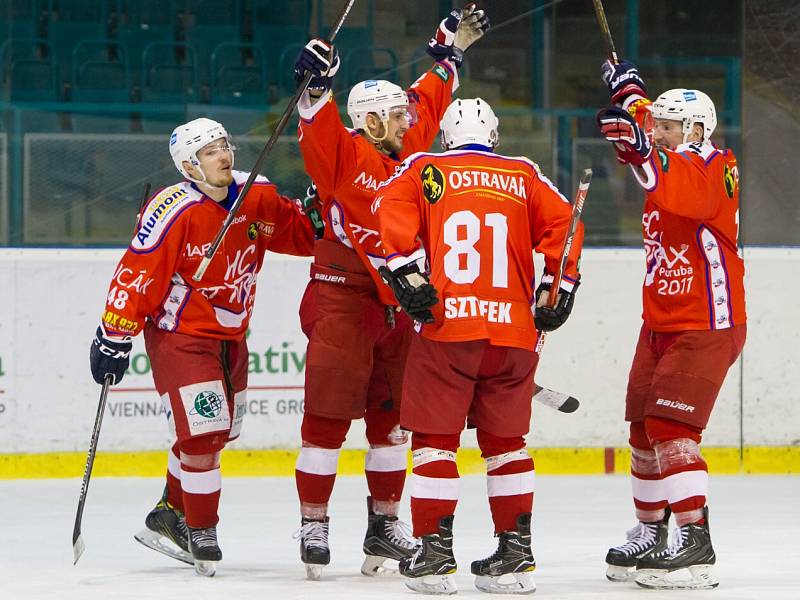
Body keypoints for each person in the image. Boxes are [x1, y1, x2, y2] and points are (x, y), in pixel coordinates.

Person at [288, 5, 490, 580]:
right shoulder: (343, 155)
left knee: (393, 422)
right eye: (394, 117)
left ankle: (383, 522)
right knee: (327, 419)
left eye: (404, 115)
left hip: (399, 307)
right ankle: (314, 521)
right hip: (342, 301)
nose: (408, 122)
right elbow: (315, 120)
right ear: (370, 122)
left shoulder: (412, 144)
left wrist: (449, 52)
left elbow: (431, 96)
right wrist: (314, 87)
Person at [88, 117, 316, 576]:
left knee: (223, 431)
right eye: (209, 152)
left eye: (224, 146)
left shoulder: (257, 195)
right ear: (190, 166)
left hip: (231, 335)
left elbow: (302, 235)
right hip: (181, 335)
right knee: (205, 433)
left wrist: (321, 212)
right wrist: (114, 334)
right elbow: (137, 274)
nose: (223, 156)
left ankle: (169, 514)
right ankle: (201, 527)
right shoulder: (172, 209)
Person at [375, 98, 584, 595]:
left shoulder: (424, 168)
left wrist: (407, 271)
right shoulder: (524, 173)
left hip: (449, 329)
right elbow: (567, 228)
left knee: (434, 442)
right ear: (494, 135)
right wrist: (558, 288)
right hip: (514, 334)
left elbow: (388, 207)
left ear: (445, 136)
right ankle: (515, 555)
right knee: (507, 445)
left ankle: (434, 552)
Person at [596, 60, 746, 590]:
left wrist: (639, 146)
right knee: (641, 428)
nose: (658, 132)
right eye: (656, 126)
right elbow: (646, 130)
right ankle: (650, 531)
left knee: (672, 429)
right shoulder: (669, 143)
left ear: (697, 130)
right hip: (659, 323)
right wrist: (629, 89)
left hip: (706, 322)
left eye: (668, 127)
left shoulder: (715, 165)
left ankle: (695, 540)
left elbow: (677, 184)